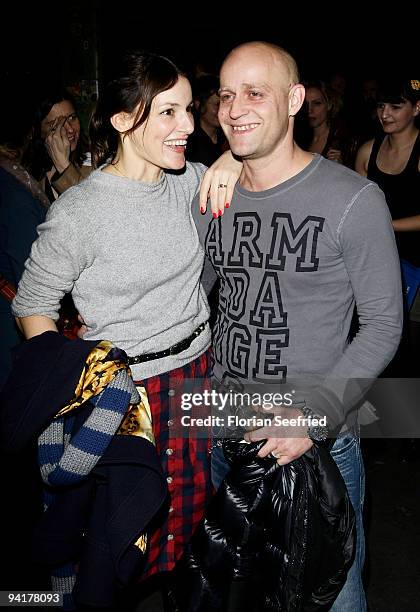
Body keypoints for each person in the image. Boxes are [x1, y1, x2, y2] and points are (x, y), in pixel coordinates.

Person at [11, 50, 241, 606]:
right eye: (167, 112)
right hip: (129, 398)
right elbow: (33, 304)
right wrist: (78, 377)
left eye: (189, 110)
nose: (188, 125)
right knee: (121, 539)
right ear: (122, 121)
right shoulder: (82, 211)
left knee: (191, 529)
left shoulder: (193, 181)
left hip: (199, 375)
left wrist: (236, 158)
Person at [192, 41, 403, 612]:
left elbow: (384, 326)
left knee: (332, 597)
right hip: (226, 435)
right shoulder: (210, 195)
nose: (236, 108)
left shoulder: (352, 199)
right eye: (227, 94)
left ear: (294, 100)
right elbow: (196, 298)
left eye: (255, 93)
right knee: (240, 597)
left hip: (317, 448)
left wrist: (311, 417)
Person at [21, 86, 91, 204]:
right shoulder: (27, 174)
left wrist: (64, 166)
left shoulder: (94, 163)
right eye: (56, 124)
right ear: (38, 132)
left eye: (72, 118)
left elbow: (89, 211)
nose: (69, 129)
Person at [296, 79, 356, 167]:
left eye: (317, 103)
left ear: (329, 105)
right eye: (305, 104)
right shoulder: (298, 138)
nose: (309, 110)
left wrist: (341, 167)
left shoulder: (342, 140)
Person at [186, 74, 228, 167]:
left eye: (224, 104)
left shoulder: (228, 137)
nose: (221, 110)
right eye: (217, 104)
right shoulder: (189, 145)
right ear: (198, 105)